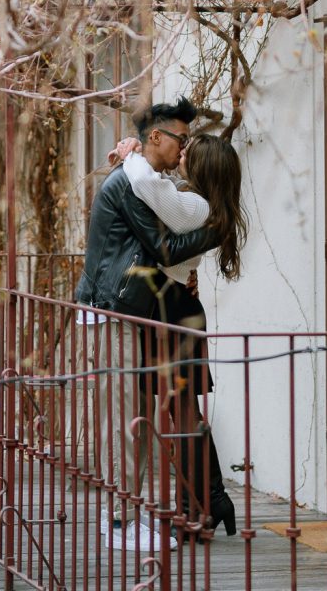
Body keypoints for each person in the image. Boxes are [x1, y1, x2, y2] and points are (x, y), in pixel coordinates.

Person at [75, 96, 220, 552]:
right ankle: (120, 523)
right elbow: (164, 249)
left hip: (127, 312)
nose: (185, 149)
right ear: (155, 137)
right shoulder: (127, 185)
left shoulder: (148, 181)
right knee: (121, 420)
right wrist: (217, 230)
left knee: (132, 418)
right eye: (181, 139)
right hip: (110, 310)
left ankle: (125, 515)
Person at [111, 130, 247, 539]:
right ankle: (207, 502)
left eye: (190, 152)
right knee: (183, 412)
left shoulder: (193, 205)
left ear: (203, 168)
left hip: (175, 313)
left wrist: (132, 153)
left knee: (182, 414)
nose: (182, 152)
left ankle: (198, 508)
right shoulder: (195, 202)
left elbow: (148, 187)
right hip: (176, 309)